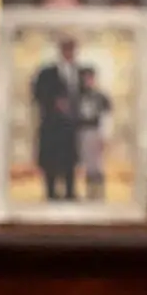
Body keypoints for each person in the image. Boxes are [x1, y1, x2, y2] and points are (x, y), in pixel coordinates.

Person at [32, 38, 84, 200]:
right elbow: (37, 93)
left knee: (69, 160)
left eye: (72, 50)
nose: (69, 53)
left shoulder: (79, 72)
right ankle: (50, 192)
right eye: (66, 49)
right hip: (52, 124)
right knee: (50, 160)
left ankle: (70, 192)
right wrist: (54, 102)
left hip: (70, 125)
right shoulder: (47, 72)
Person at [76, 64, 111, 200]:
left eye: (90, 78)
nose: (87, 81)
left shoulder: (100, 96)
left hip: (95, 131)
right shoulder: (77, 96)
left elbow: (106, 117)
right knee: (86, 164)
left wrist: (105, 135)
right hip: (81, 131)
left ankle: (97, 192)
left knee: (96, 164)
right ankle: (88, 191)